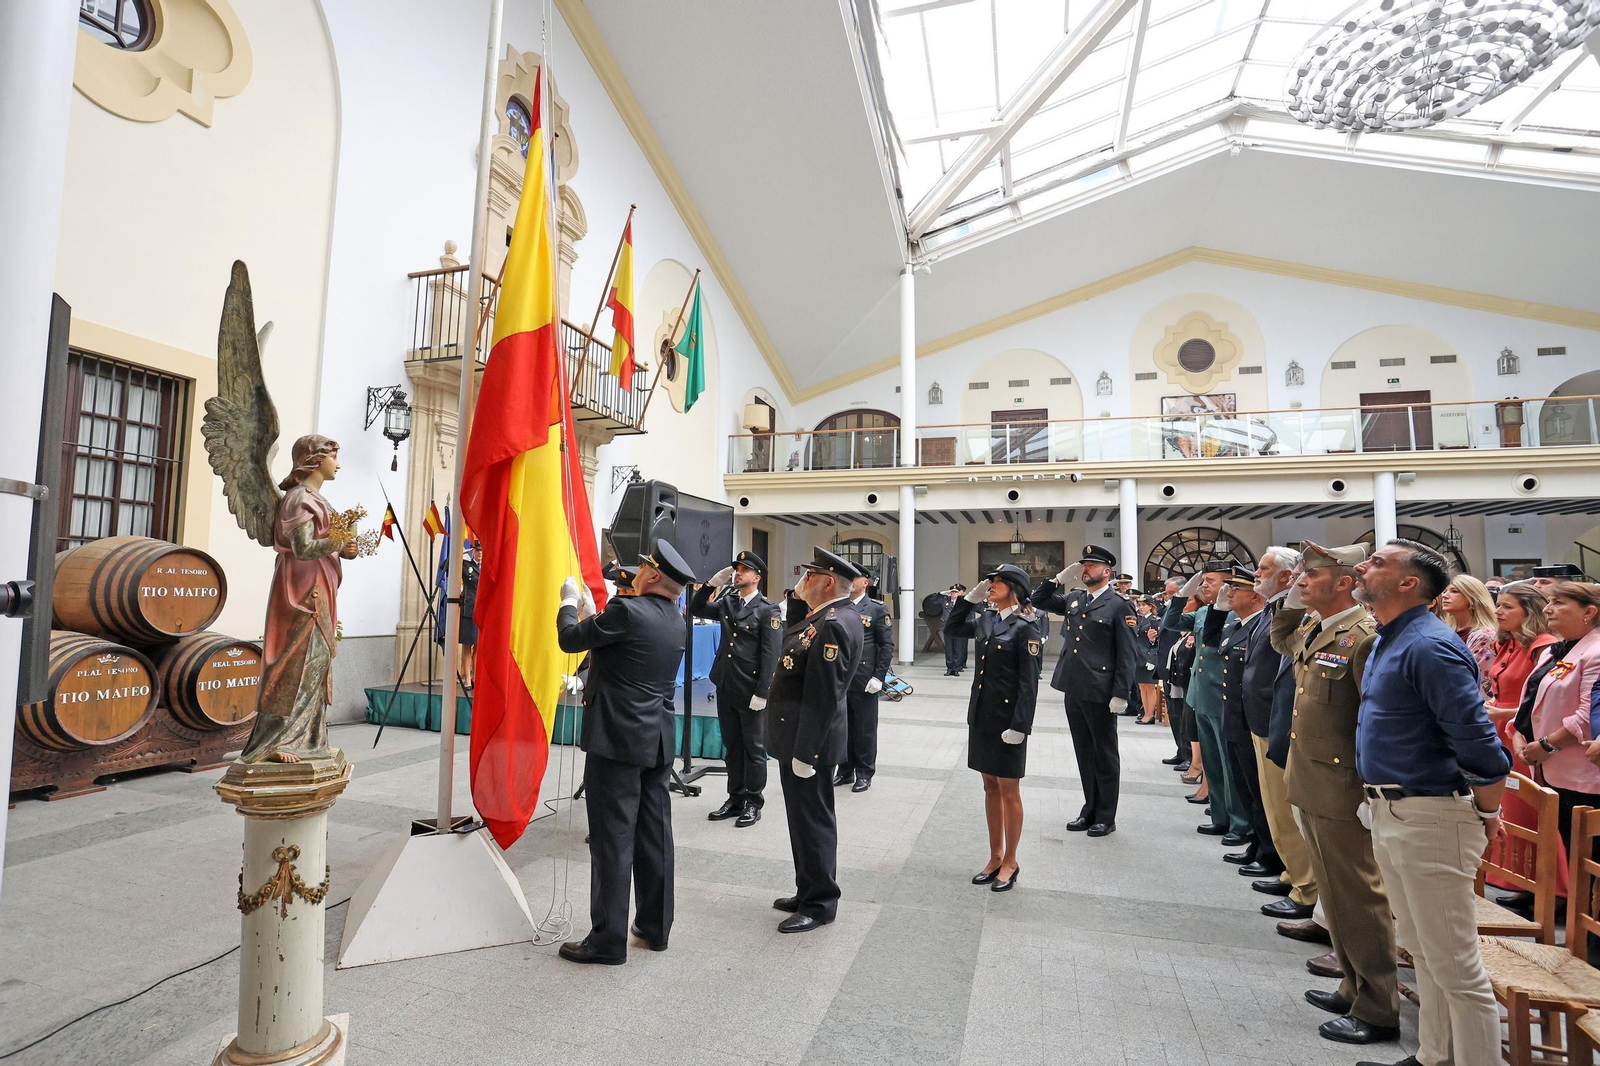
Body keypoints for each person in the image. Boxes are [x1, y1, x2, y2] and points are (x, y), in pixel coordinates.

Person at [1351, 539, 1511, 1066]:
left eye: (1377, 562)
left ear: (1408, 584)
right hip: (1392, 809)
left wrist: (1488, 812)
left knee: (1458, 969)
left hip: (1431, 814)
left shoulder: (1429, 645)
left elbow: (1479, 742)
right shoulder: (1388, 639)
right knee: (1422, 950)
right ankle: (1434, 1055)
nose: (1362, 565)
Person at [1268, 542, 1401, 1047]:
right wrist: (1290, 603)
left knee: (1360, 898)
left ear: (1343, 582)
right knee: (1337, 896)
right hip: (1313, 781)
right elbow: (1282, 645)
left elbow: (1372, 720)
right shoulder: (1318, 626)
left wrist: (1369, 791)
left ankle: (1378, 1006)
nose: (1301, 580)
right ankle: (1352, 985)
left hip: (1344, 788)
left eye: (1313, 574)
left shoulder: (1362, 636)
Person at [555, 541, 692, 965]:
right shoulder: (676, 619)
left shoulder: (627, 611)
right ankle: (655, 927)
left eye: (643, 568)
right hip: (656, 738)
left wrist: (567, 603)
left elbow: (570, 639)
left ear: (651, 575)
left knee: (612, 837)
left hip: (617, 740)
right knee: (655, 834)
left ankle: (607, 940)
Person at [767, 547, 865, 933]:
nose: (802, 581)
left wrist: (806, 751)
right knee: (801, 820)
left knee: (814, 821)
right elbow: (796, 643)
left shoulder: (836, 624)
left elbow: (824, 695)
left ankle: (821, 902)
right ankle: (807, 887)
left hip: (812, 743)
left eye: (809, 576)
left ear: (826, 582)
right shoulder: (824, 617)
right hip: (798, 736)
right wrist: (797, 596)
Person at [1031, 545, 1141, 837]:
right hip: (1074, 685)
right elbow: (1037, 599)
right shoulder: (1076, 598)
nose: (1085, 568)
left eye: (1092, 564)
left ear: (1107, 571)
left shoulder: (1119, 605)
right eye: (1084, 564)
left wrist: (1121, 692)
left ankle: (1106, 815)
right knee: (1084, 752)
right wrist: (1056, 578)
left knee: (1104, 753)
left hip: (1101, 689)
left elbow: (1127, 653)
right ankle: (1089, 808)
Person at [944, 564, 1042, 891]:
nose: (990, 586)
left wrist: (1021, 726)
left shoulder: (1027, 626)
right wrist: (967, 600)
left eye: (997, 582)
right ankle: (995, 854)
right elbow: (953, 627)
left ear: (1014, 587)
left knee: (1009, 789)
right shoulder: (988, 619)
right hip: (983, 715)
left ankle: (1011, 860)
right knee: (989, 785)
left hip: (1008, 720)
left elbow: (1029, 684)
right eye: (990, 582)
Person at [1246, 547, 1318, 920]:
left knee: (1287, 811)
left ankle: (1306, 887)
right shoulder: (1272, 610)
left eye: (1263, 568)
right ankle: (1293, 874)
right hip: (1264, 720)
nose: (1256, 574)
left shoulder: (1301, 615)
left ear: (1287, 577)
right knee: (1275, 809)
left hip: (1283, 723)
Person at [688, 550, 782, 828]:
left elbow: (770, 654)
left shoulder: (768, 609)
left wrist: (763, 692)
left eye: (744, 569)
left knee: (753, 748)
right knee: (732, 746)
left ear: (757, 577)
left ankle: (754, 802)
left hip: (750, 689)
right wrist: (709, 586)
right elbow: (696, 608)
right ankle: (735, 797)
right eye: (736, 568)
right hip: (726, 684)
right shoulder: (728, 602)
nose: (738, 573)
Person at [1165, 561, 1250, 843]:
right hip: (1200, 693)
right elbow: (1171, 622)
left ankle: (1238, 822)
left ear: (1228, 584)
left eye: (1210, 581)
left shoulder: (1237, 614)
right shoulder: (1203, 611)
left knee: (1228, 762)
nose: (1205, 586)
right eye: (1203, 581)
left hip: (1222, 695)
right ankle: (1219, 815)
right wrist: (1182, 593)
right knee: (1212, 761)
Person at [1515, 580, 1600, 849]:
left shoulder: (1595, 651)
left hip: (1582, 772)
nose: (1548, 609)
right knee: (1571, 850)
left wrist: (1546, 745)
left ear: (1589, 612)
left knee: (1588, 857)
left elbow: (1589, 715)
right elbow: (1533, 700)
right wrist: (1518, 732)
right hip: (1549, 768)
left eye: (1558, 603)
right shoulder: (1557, 649)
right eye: (1548, 602)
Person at [1217, 567, 1281, 881]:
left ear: (1254, 596)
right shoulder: (1237, 626)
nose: (1227, 594)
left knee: (1260, 790)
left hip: (1253, 719)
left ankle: (1270, 852)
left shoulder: (1264, 625)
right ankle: (1257, 843)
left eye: (1234, 589)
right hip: (1235, 716)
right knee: (1247, 788)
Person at [836, 572, 893, 793]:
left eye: (855, 579)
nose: (850, 583)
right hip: (841, 676)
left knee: (865, 728)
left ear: (865, 583)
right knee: (843, 725)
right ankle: (845, 769)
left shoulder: (876, 609)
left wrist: (879, 677)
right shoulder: (841, 606)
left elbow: (886, 645)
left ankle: (864, 772)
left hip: (864, 676)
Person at [1436, 573, 1498, 693]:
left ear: (1473, 598)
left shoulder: (1485, 635)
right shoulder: (1445, 631)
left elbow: (1478, 680)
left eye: (1454, 591)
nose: (1445, 596)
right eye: (1444, 591)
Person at [1135, 599, 1164, 725]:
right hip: (1138, 656)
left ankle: (1150, 714)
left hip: (1149, 656)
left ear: (1150, 606)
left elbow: (1156, 642)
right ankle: (1145, 712)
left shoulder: (1155, 620)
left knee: (1150, 687)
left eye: (1144, 605)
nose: (1141, 607)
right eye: (1139, 605)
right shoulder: (1138, 620)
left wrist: (1152, 659)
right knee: (1142, 686)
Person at [943, 585, 969, 675]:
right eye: (952, 592)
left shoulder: (962, 604)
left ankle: (956, 668)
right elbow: (935, 599)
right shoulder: (945, 602)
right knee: (949, 649)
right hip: (948, 628)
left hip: (958, 628)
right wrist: (942, 593)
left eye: (955, 592)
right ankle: (950, 668)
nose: (953, 594)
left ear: (959, 594)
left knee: (958, 649)